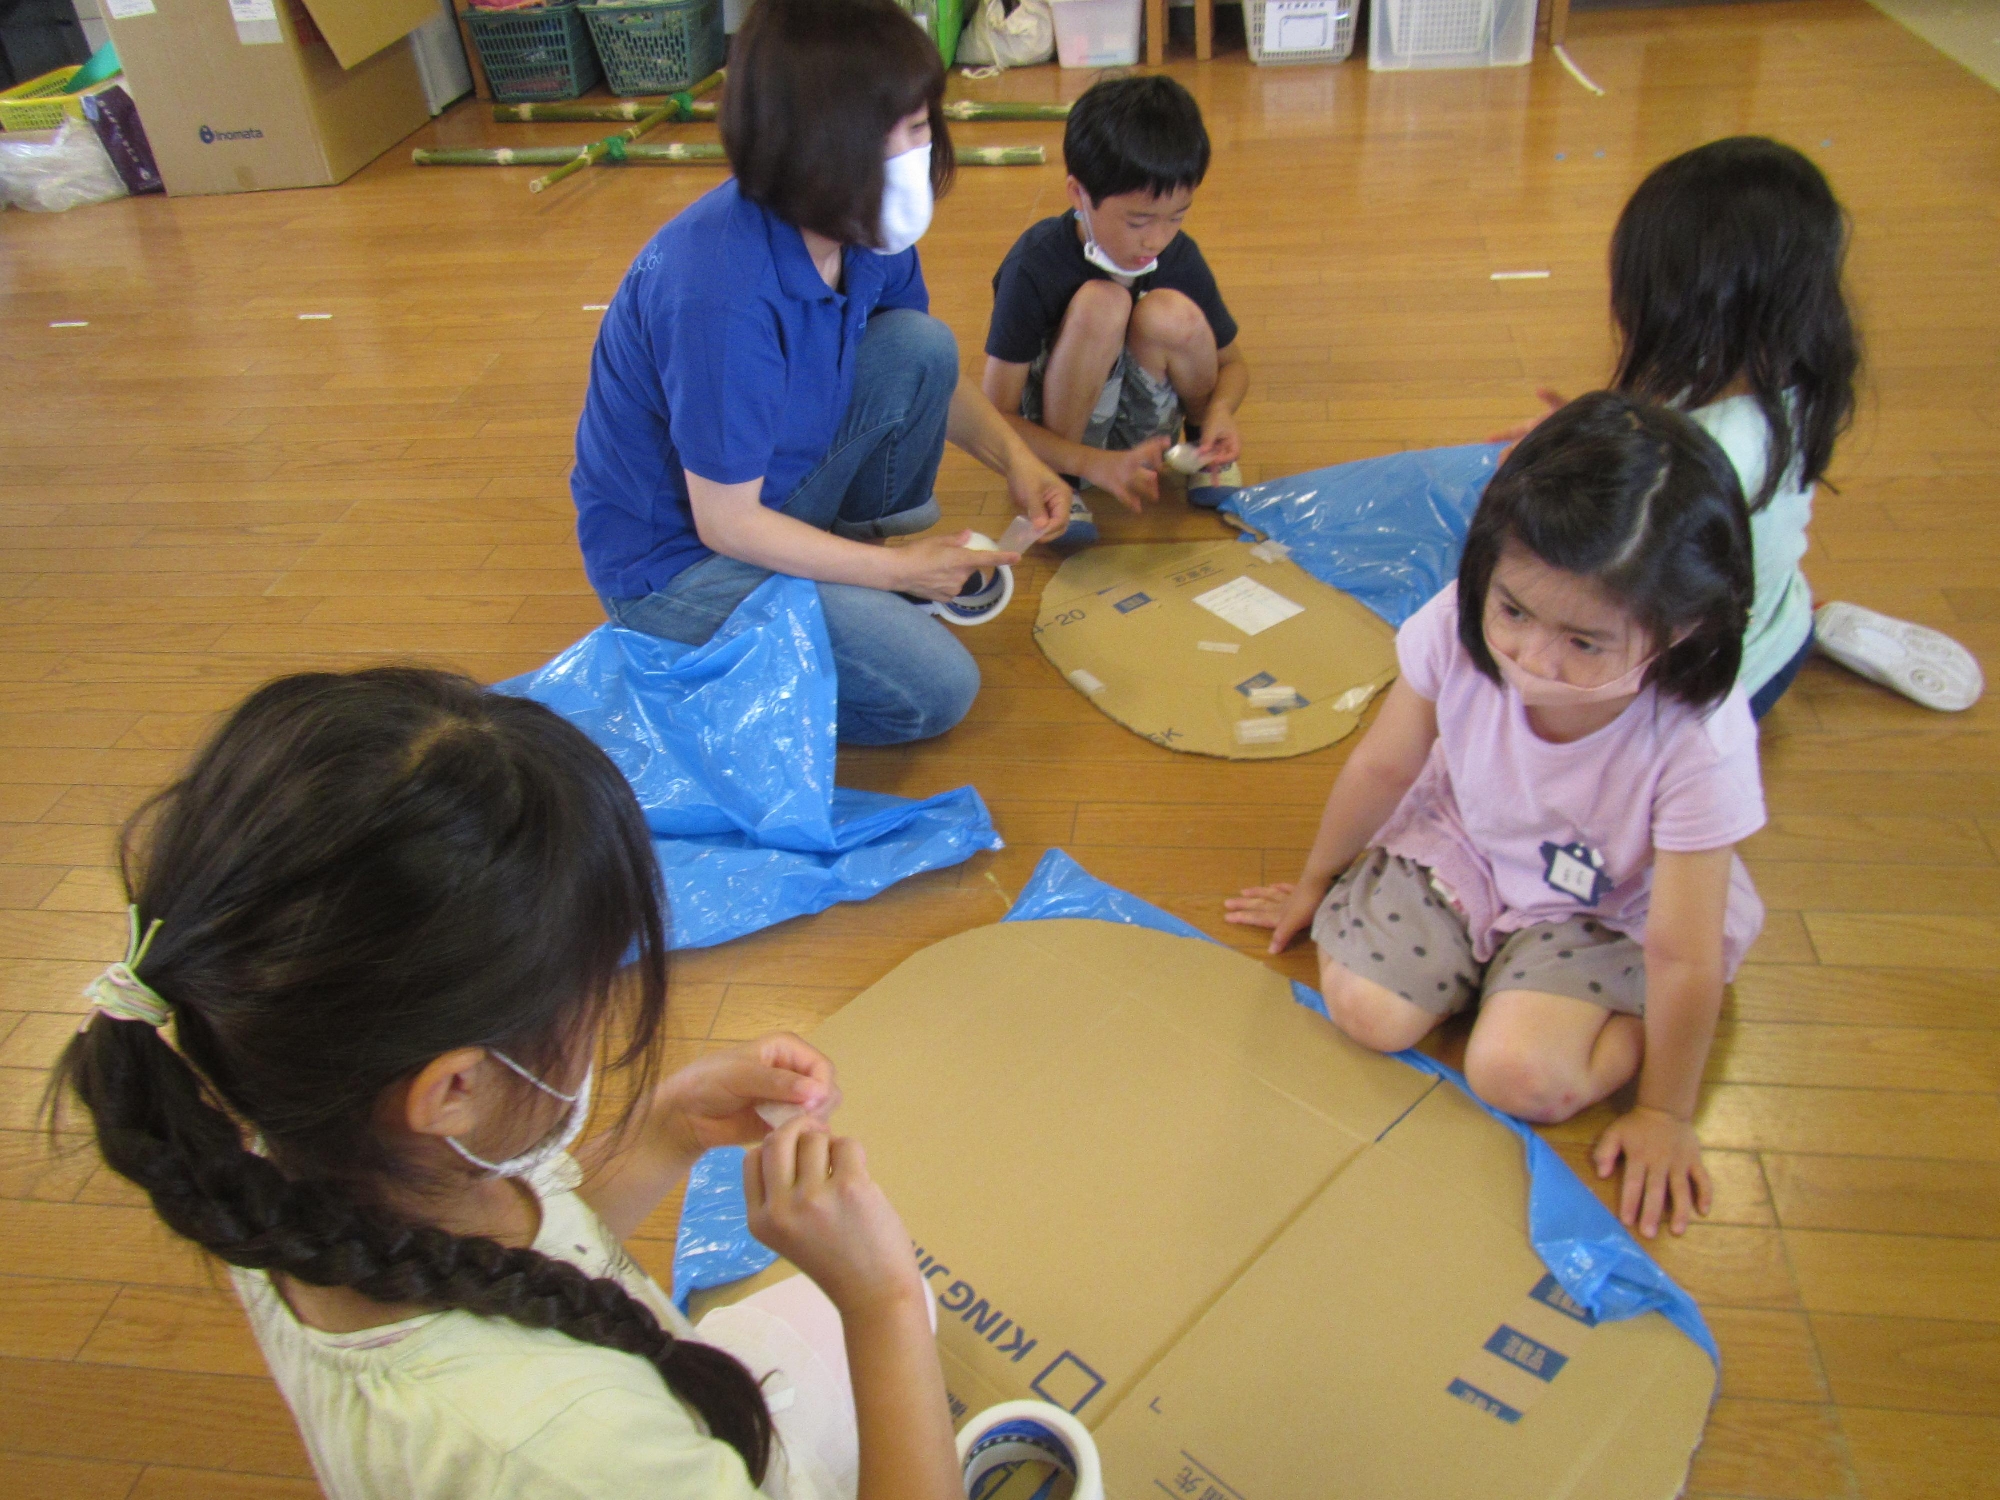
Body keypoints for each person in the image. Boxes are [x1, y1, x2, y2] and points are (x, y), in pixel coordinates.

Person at [51, 668, 964, 1500]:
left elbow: (532, 1263)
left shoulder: (268, 1151)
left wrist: (667, 1131)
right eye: (591, 994)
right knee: (909, 1318)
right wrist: (878, 1302)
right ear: (453, 1091)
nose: (602, 1016)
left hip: (636, 1400)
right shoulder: (566, 1452)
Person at [1227, 394, 1765, 1242]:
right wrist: (1316, 879)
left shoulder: (1698, 737)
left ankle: (1584, 1004)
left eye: (1585, 642)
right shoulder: (1458, 621)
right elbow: (1383, 765)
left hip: (1608, 902)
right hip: (1468, 842)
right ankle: (1503, 977)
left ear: (1682, 631)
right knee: (1367, 1012)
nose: (1530, 658)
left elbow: (1682, 949)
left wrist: (1664, 1110)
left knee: (1520, 1076)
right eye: (1513, 610)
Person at [571, 0, 1070, 746]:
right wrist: (898, 571)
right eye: (903, 131)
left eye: (922, 125)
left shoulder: (858, 221)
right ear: (819, 147)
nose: (922, 150)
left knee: (920, 346)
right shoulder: (719, 292)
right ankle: (703, 657)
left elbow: (928, 376)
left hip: (762, 500)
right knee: (937, 691)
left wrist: (1017, 460)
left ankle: (847, 575)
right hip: (677, 566)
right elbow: (724, 523)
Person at [1500, 136, 1982, 715]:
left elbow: (1603, 577)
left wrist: (1544, 468)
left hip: (1714, 690)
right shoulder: (1789, 376)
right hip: (1780, 622)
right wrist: (1588, 432)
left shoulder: (1717, 450)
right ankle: (1807, 625)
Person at [981, 75, 1249, 547]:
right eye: (1137, 221)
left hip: (1143, 437)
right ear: (1078, 194)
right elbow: (994, 414)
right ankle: (1054, 481)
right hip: (1061, 434)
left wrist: (1220, 412)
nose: (1156, 239)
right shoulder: (1035, 264)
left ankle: (1201, 451)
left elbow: (1233, 364)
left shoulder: (1178, 255)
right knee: (1102, 303)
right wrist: (1084, 462)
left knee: (1172, 314)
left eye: (1176, 216)